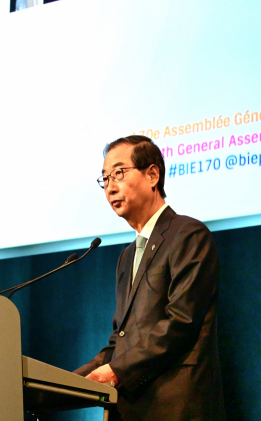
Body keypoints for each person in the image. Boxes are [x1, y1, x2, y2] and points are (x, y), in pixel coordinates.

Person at [75, 135, 224, 420]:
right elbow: (119, 341)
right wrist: (61, 384)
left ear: (152, 175)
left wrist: (117, 370)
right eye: (105, 178)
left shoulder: (188, 235)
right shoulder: (127, 256)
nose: (110, 187)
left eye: (119, 173)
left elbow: (182, 322)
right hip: (130, 409)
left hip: (176, 407)